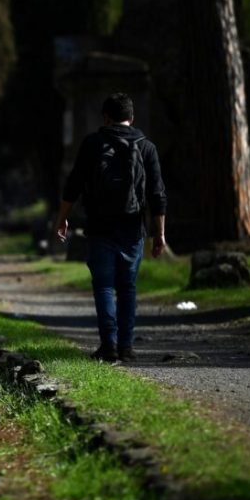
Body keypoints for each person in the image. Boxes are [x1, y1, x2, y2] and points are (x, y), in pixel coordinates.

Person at [55, 93, 167, 363]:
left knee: (104, 286)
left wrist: (63, 218)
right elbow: (157, 194)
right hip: (133, 227)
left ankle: (109, 346)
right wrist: (159, 233)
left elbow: (74, 183)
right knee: (127, 287)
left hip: (99, 226)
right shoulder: (147, 147)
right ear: (132, 118)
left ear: (105, 117)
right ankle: (126, 347)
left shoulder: (93, 143)